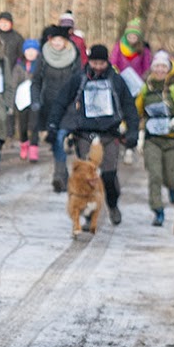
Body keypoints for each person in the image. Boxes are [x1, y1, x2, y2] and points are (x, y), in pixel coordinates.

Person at [48, 43, 138, 224]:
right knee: (87, 177)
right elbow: (61, 100)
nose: (97, 67)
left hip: (110, 134)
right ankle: (89, 215)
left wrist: (133, 131)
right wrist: (53, 124)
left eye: (101, 63)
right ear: (89, 61)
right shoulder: (79, 79)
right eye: (94, 63)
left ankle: (112, 205)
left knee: (108, 176)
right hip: (84, 134)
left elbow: (129, 106)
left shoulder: (116, 80)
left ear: (107, 62)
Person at [133, 51, 174, 225]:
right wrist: (136, 132)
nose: (160, 70)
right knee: (155, 175)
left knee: (170, 177)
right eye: (157, 66)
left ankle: (173, 191)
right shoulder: (145, 87)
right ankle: (158, 210)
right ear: (152, 68)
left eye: (163, 67)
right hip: (152, 140)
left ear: (168, 69)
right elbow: (137, 111)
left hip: (171, 140)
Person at [35, 26, 83, 191]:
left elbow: (80, 80)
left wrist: (79, 101)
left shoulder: (74, 56)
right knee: (56, 138)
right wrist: (36, 101)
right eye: (54, 40)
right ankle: (60, 175)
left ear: (65, 41)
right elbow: (36, 81)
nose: (56, 43)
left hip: (69, 105)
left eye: (60, 40)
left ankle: (70, 174)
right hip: (49, 105)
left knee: (64, 136)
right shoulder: (43, 56)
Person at [14, 38, 41, 161]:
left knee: (34, 125)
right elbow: (13, 82)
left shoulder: (41, 65)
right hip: (22, 99)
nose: (30, 53)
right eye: (28, 50)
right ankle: (24, 144)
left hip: (36, 98)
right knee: (23, 125)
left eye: (33, 50)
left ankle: (34, 148)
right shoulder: (19, 66)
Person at [113, 18, 152, 83]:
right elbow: (114, 59)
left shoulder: (143, 48)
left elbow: (146, 65)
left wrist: (143, 76)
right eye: (129, 37)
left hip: (136, 78)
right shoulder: (119, 46)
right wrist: (115, 71)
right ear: (126, 36)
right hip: (120, 77)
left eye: (134, 37)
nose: (132, 39)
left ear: (138, 38)